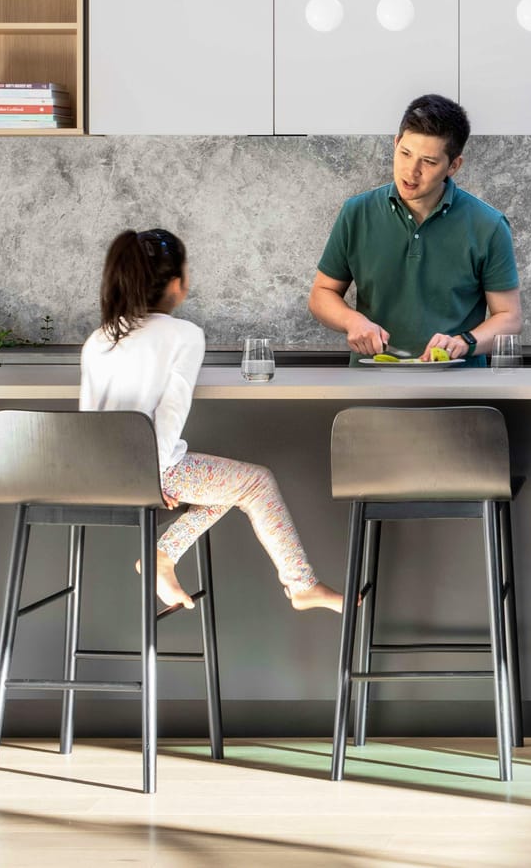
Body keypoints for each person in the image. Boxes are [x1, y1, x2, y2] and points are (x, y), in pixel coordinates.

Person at [82, 227, 343, 612]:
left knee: (225, 487)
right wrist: (148, 478)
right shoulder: (183, 335)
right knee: (255, 483)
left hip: (94, 473)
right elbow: (170, 413)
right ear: (176, 284)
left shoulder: (100, 338)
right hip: (149, 470)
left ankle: (162, 556)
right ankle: (300, 584)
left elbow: (90, 421)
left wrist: (132, 475)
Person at [309, 94, 524, 362]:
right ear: (396, 143)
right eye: (405, 153)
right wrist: (352, 321)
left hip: (460, 389)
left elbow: (509, 317)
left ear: (453, 165)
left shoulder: (488, 225)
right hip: (371, 387)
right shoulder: (356, 213)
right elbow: (322, 293)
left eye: (429, 162)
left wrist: (463, 342)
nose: (411, 172)